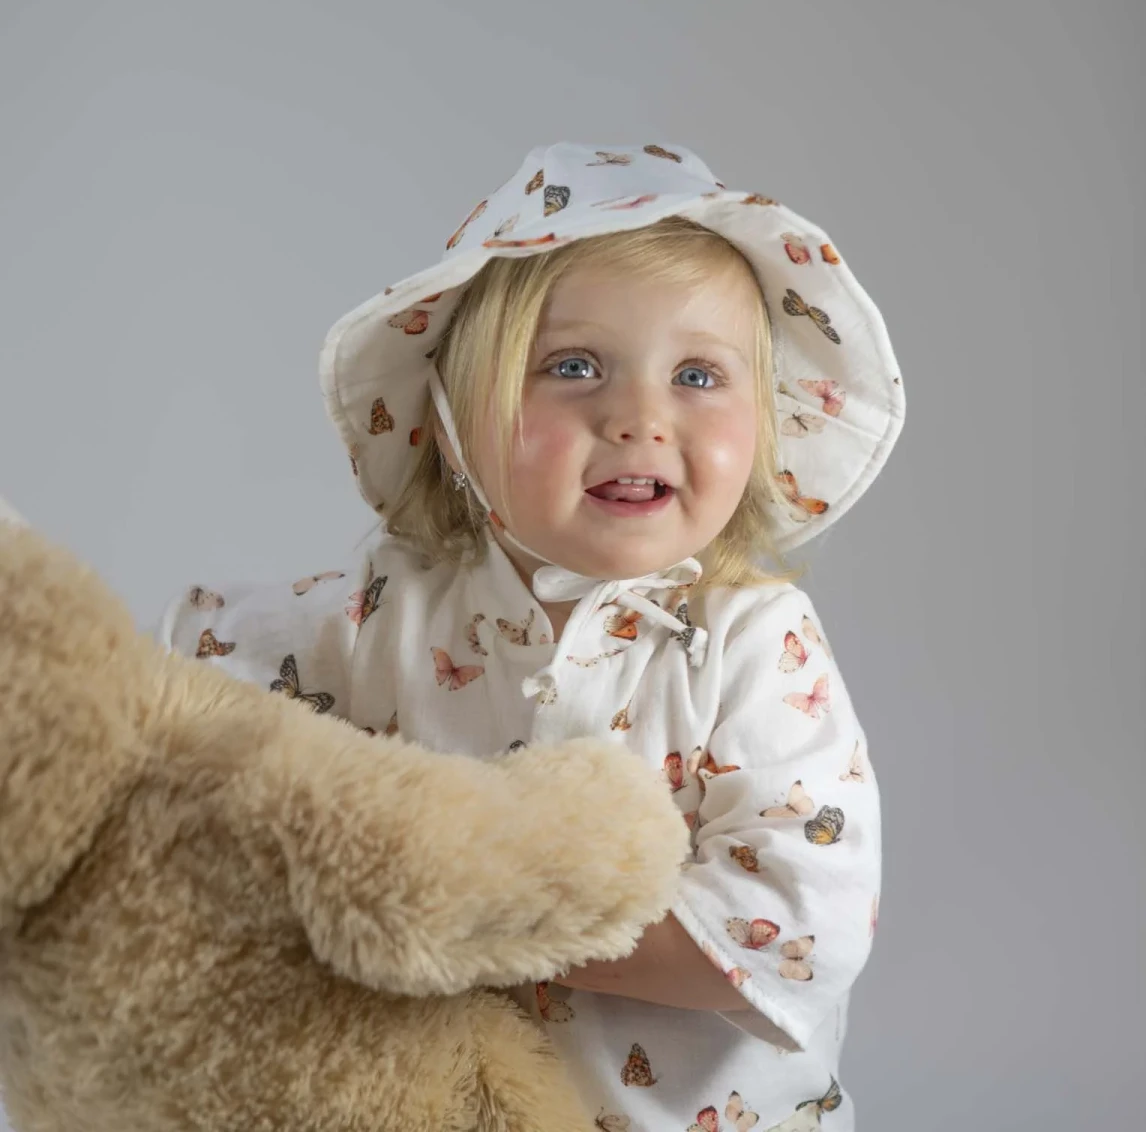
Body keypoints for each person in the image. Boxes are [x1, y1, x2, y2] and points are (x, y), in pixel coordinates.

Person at [160, 142, 905, 1131]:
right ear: (453, 424)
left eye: (697, 374)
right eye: (573, 367)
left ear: (763, 425)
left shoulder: (754, 643)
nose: (638, 417)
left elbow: (801, 923)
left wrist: (473, 907)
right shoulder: (391, 610)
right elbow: (209, 717)